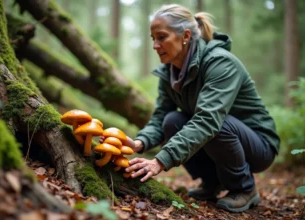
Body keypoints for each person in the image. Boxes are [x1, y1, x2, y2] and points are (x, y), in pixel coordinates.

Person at [116, 4, 280, 213]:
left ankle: (244, 188)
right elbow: (160, 117)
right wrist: (139, 142)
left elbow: (208, 120)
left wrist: (160, 161)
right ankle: (211, 183)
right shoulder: (169, 72)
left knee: (218, 124)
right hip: (222, 136)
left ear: (184, 36)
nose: (155, 45)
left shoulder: (220, 63)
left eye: (161, 37)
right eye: (153, 39)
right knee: (172, 120)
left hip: (259, 145)